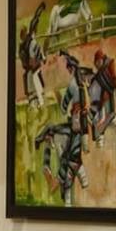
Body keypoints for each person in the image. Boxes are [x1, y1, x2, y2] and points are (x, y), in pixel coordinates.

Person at [33, 52, 91, 206]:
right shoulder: (82, 83)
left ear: (70, 69)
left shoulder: (72, 85)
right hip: (82, 127)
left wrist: (58, 95)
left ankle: (71, 182)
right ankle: (81, 177)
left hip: (75, 126)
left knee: (65, 151)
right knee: (71, 155)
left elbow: (64, 108)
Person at [17, 1, 48, 106]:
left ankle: (39, 99)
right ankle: (36, 99)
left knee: (34, 79)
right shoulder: (24, 45)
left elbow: (34, 21)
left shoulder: (29, 41)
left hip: (34, 66)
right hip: (31, 67)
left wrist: (40, 9)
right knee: (31, 79)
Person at [88, 44, 116, 143]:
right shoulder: (98, 74)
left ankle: (102, 132)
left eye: (98, 62)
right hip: (102, 99)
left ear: (101, 60)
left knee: (105, 117)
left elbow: (112, 80)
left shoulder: (108, 65)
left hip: (107, 96)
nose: (97, 65)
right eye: (96, 63)